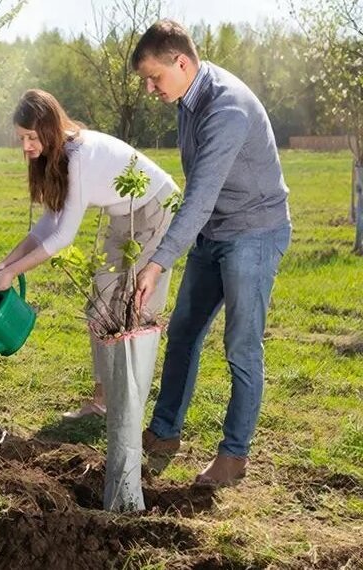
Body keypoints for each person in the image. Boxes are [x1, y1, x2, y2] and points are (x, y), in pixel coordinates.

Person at [131, 19, 292, 487]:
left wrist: (159, 261)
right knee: (182, 332)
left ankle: (234, 454)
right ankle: (163, 433)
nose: (149, 88)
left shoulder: (227, 108)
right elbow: (198, 193)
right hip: (214, 231)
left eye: (154, 77)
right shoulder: (188, 98)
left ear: (182, 63)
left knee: (241, 346)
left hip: (254, 232)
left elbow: (200, 194)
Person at [0, 89, 179, 420]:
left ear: (49, 128)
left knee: (137, 307)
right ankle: (103, 402)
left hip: (157, 208)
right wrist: (5, 264)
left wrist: (14, 273)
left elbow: (62, 237)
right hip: (125, 214)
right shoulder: (56, 158)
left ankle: (129, 411)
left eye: (31, 137)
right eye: (21, 139)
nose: (27, 146)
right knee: (101, 306)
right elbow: (46, 225)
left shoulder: (80, 156)